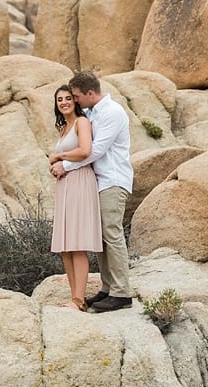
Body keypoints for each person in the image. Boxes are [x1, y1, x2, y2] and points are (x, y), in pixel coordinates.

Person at [51, 70, 134, 313]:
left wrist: (63, 164)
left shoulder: (112, 113)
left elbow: (94, 151)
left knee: (112, 234)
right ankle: (108, 288)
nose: (74, 101)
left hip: (113, 179)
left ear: (89, 93)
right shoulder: (91, 112)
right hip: (98, 181)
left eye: (76, 96)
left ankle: (122, 293)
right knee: (102, 239)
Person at [48, 85, 103, 311]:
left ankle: (80, 300)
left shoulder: (82, 122)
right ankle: (74, 297)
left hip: (80, 181)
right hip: (65, 186)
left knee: (77, 243)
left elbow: (85, 150)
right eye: (60, 99)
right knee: (65, 245)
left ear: (75, 101)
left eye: (68, 98)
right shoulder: (63, 128)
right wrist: (55, 166)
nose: (64, 102)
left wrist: (59, 156)